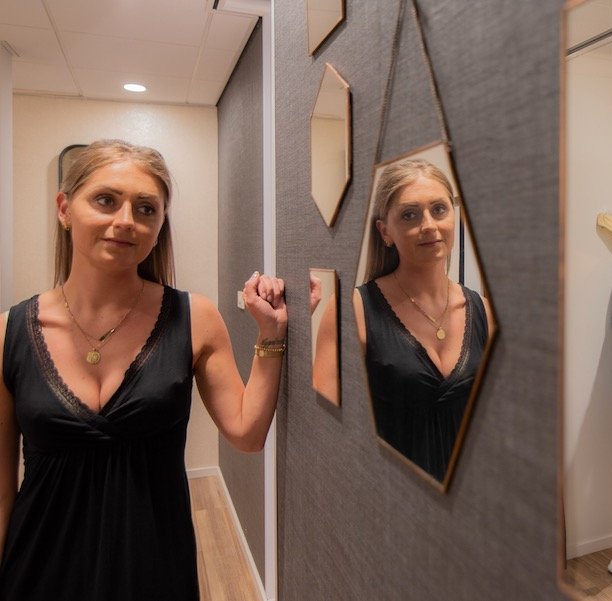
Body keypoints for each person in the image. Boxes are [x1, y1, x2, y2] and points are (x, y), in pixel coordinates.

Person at [0, 139, 287, 600]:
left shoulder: (194, 319)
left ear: (158, 227)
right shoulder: (9, 333)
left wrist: (270, 334)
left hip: (154, 568)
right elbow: (1, 491)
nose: (125, 220)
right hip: (38, 569)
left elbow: (247, 434)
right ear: (64, 209)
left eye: (146, 209)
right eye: (105, 200)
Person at [353, 158, 494, 483]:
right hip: (392, 493)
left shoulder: (484, 311)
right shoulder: (357, 310)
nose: (429, 225)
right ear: (385, 231)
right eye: (410, 214)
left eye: (439, 209)